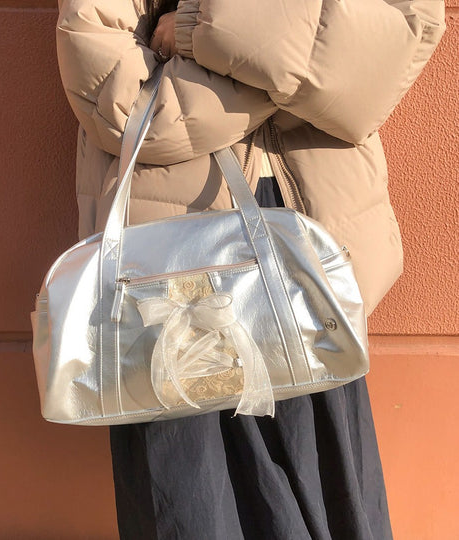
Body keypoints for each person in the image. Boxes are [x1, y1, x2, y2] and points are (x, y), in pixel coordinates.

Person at [55, 1, 445, 538]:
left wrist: (192, 29)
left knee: (322, 487)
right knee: (191, 497)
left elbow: (393, 44)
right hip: (170, 271)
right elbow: (121, 107)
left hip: (307, 253)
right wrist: (286, 70)